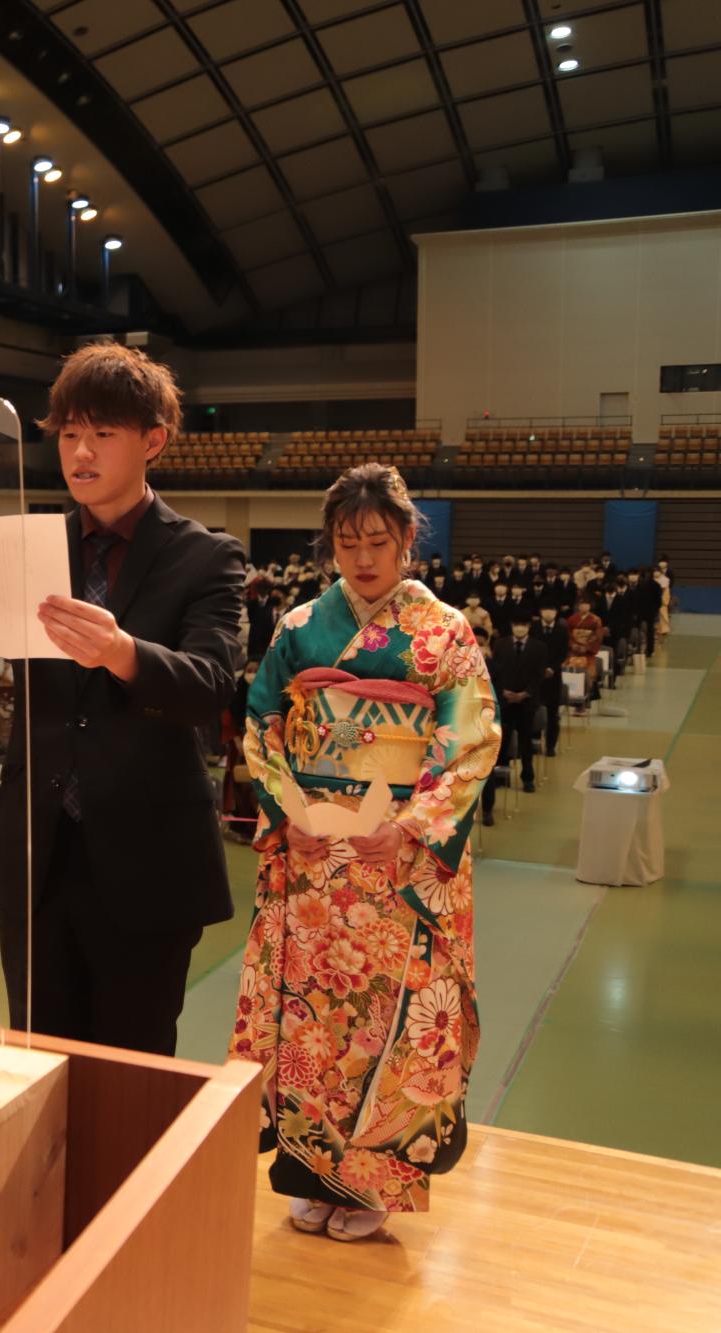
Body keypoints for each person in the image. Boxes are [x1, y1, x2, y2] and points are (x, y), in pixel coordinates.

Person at [0, 342, 244, 1052]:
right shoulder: (30, 544)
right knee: (37, 1058)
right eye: (70, 433)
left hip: (147, 863)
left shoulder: (206, 556)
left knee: (131, 1067)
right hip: (38, 858)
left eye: (103, 433)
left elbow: (211, 685)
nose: (81, 452)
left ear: (152, 440)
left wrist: (120, 652)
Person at [234, 463, 498, 1243]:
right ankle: (310, 1172)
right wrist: (288, 808)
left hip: (396, 858)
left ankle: (373, 1184)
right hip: (316, 853)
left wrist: (413, 825)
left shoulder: (443, 630)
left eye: (378, 541)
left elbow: (473, 736)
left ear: (408, 538)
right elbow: (261, 726)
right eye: (347, 544)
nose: (362, 558)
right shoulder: (298, 628)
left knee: (389, 1017)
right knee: (314, 1016)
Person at [485, 616, 548, 823]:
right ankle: (502, 777)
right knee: (502, 739)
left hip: (527, 701)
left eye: (523, 624)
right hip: (505, 699)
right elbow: (496, 671)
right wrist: (504, 692)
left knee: (525, 741)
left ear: (528, 627)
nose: (519, 627)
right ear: (512, 626)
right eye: (516, 624)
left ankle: (527, 777)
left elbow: (539, 675)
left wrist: (525, 693)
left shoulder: (538, 647)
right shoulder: (501, 644)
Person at [531, 604, 566, 757]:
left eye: (551, 609)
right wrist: (540, 668)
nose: (548, 612)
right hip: (535, 675)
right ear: (540, 612)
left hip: (554, 676)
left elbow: (563, 652)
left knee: (553, 713)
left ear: (556, 612)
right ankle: (534, 742)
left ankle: (551, 745)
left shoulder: (561, 629)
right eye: (545, 609)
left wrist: (552, 668)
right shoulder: (533, 628)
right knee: (534, 709)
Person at [565, 594, 606, 713]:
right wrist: (573, 645)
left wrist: (586, 647)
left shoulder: (596, 620)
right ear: (578, 606)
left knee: (588, 676)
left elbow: (598, 635)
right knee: (573, 675)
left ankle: (585, 701)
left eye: (586, 604)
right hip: (574, 652)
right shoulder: (571, 619)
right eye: (581, 604)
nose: (584, 606)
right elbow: (568, 634)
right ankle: (574, 702)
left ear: (590, 606)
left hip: (588, 653)